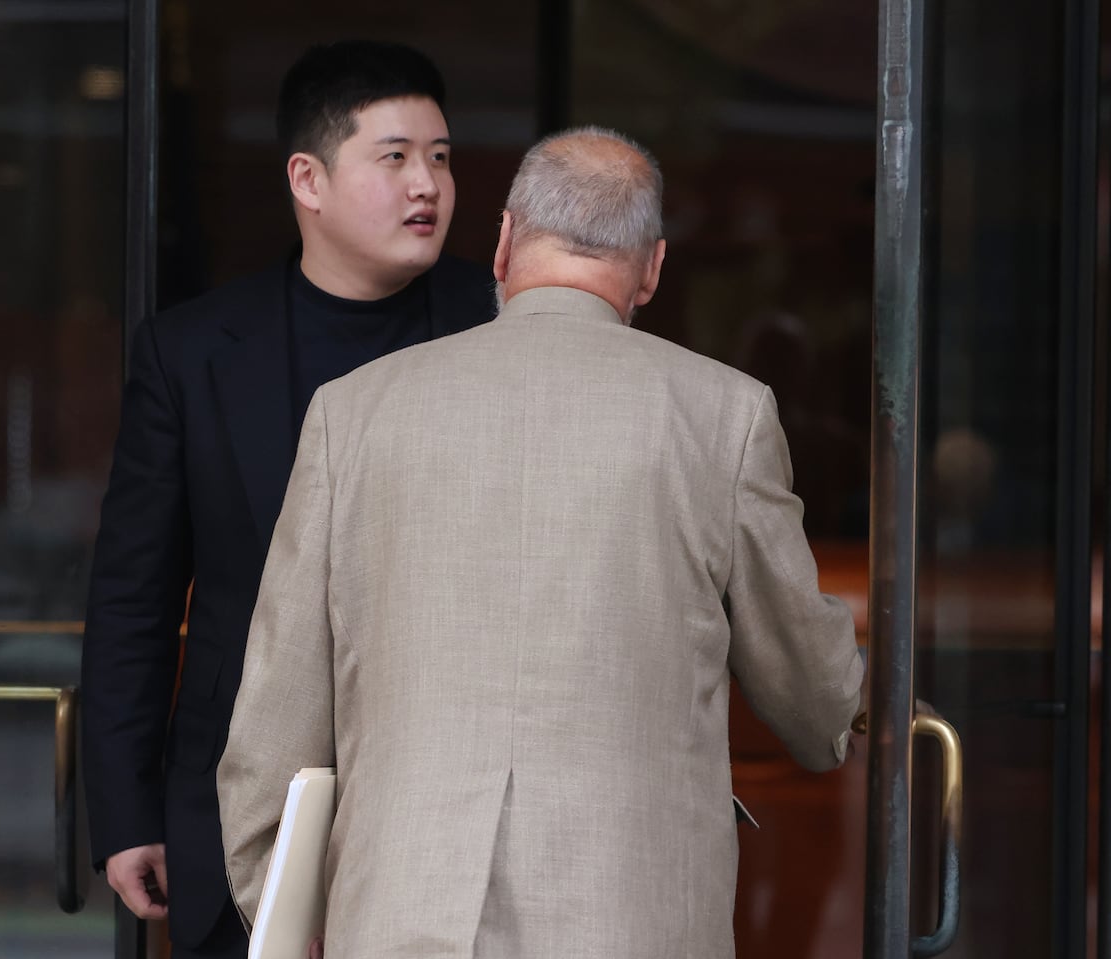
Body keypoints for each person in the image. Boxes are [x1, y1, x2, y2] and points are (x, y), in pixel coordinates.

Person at [218, 127, 865, 958]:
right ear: (653, 267)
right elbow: (814, 701)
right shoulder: (724, 416)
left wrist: (282, 906)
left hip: (396, 916)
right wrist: (865, 700)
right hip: (632, 920)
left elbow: (272, 716)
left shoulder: (353, 412)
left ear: (502, 242)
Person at [79, 39, 495, 959]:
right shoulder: (190, 353)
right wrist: (123, 807)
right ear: (308, 178)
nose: (427, 183)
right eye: (394, 157)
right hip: (246, 797)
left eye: (440, 156)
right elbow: (134, 598)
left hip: (455, 802)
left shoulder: (498, 320)